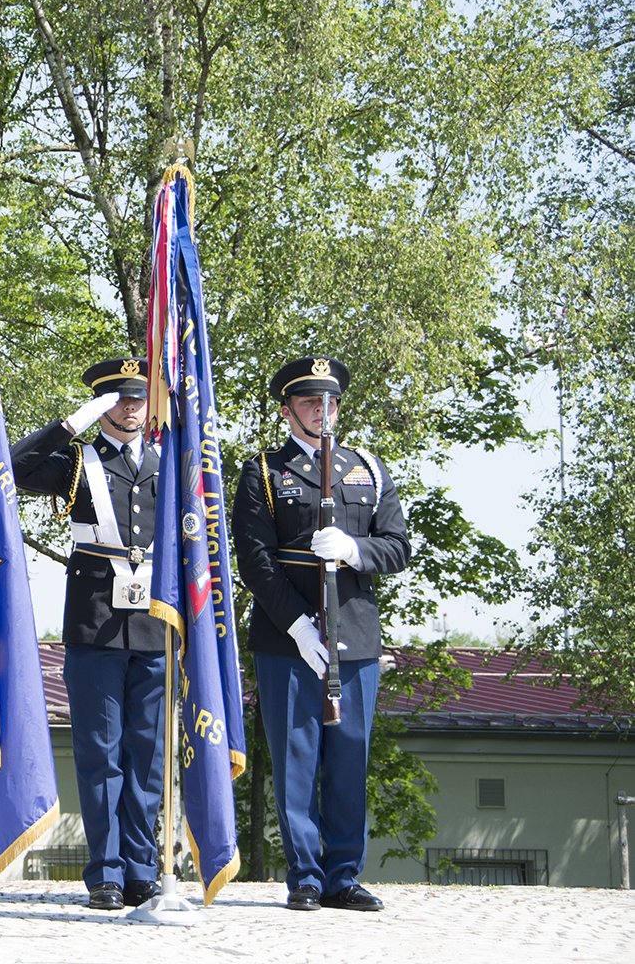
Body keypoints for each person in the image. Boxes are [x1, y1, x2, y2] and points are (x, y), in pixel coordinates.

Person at [231, 355, 410, 912]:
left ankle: (343, 876)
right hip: (289, 637)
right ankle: (305, 876)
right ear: (288, 410)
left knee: (349, 756)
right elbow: (254, 559)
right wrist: (297, 624)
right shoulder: (263, 470)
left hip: (354, 634)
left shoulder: (368, 470)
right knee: (296, 758)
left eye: (328, 400)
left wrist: (355, 550)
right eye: (308, 401)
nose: (320, 409)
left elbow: (398, 547)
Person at [10, 357, 166, 911]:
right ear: (102, 404)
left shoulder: (168, 463)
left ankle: (142, 867)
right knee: (101, 753)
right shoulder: (77, 461)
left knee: (146, 754)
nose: (129, 407)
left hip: (154, 625)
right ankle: (105, 870)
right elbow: (11, 467)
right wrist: (74, 423)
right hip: (95, 622)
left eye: (137, 397)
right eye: (118, 398)